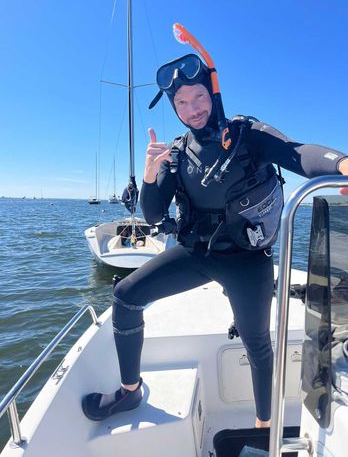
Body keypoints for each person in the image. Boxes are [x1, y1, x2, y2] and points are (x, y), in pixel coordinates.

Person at [82, 53, 348, 426]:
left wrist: (341, 165)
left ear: (213, 93)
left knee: (257, 345)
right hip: (195, 254)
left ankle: (262, 426)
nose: (192, 109)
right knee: (126, 295)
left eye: (199, 97)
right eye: (182, 103)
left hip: (246, 259)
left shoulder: (246, 135)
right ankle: (130, 391)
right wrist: (149, 175)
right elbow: (155, 216)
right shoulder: (176, 154)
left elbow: (297, 153)